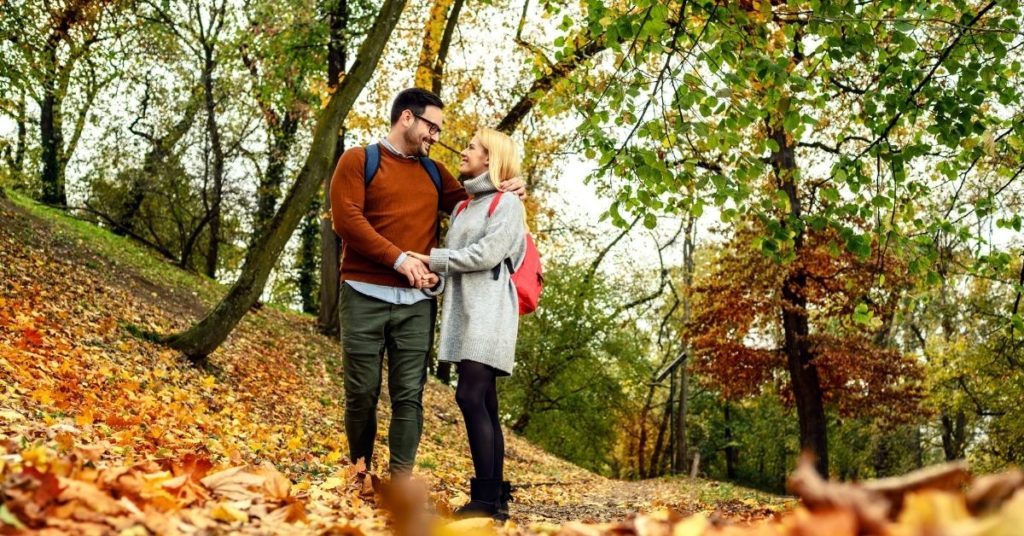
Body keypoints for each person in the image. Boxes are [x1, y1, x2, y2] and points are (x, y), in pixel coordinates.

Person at [329, 88, 523, 477]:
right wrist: (399, 259)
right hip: (362, 294)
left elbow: (479, 204)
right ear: (406, 118)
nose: (436, 137)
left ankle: (400, 483)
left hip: (416, 303)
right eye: (431, 127)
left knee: (408, 397)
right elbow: (347, 221)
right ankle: (359, 473)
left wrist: (513, 184)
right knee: (362, 393)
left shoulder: (434, 173)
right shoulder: (358, 161)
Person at [407, 128, 527, 520]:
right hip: (463, 311)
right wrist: (433, 279)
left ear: (490, 159)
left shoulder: (508, 204)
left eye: (472, 147)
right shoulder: (462, 208)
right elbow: (457, 260)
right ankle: (496, 499)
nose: (463, 150)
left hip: (491, 312)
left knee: (469, 396)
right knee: (486, 401)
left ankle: (483, 501)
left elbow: (488, 254)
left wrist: (432, 260)